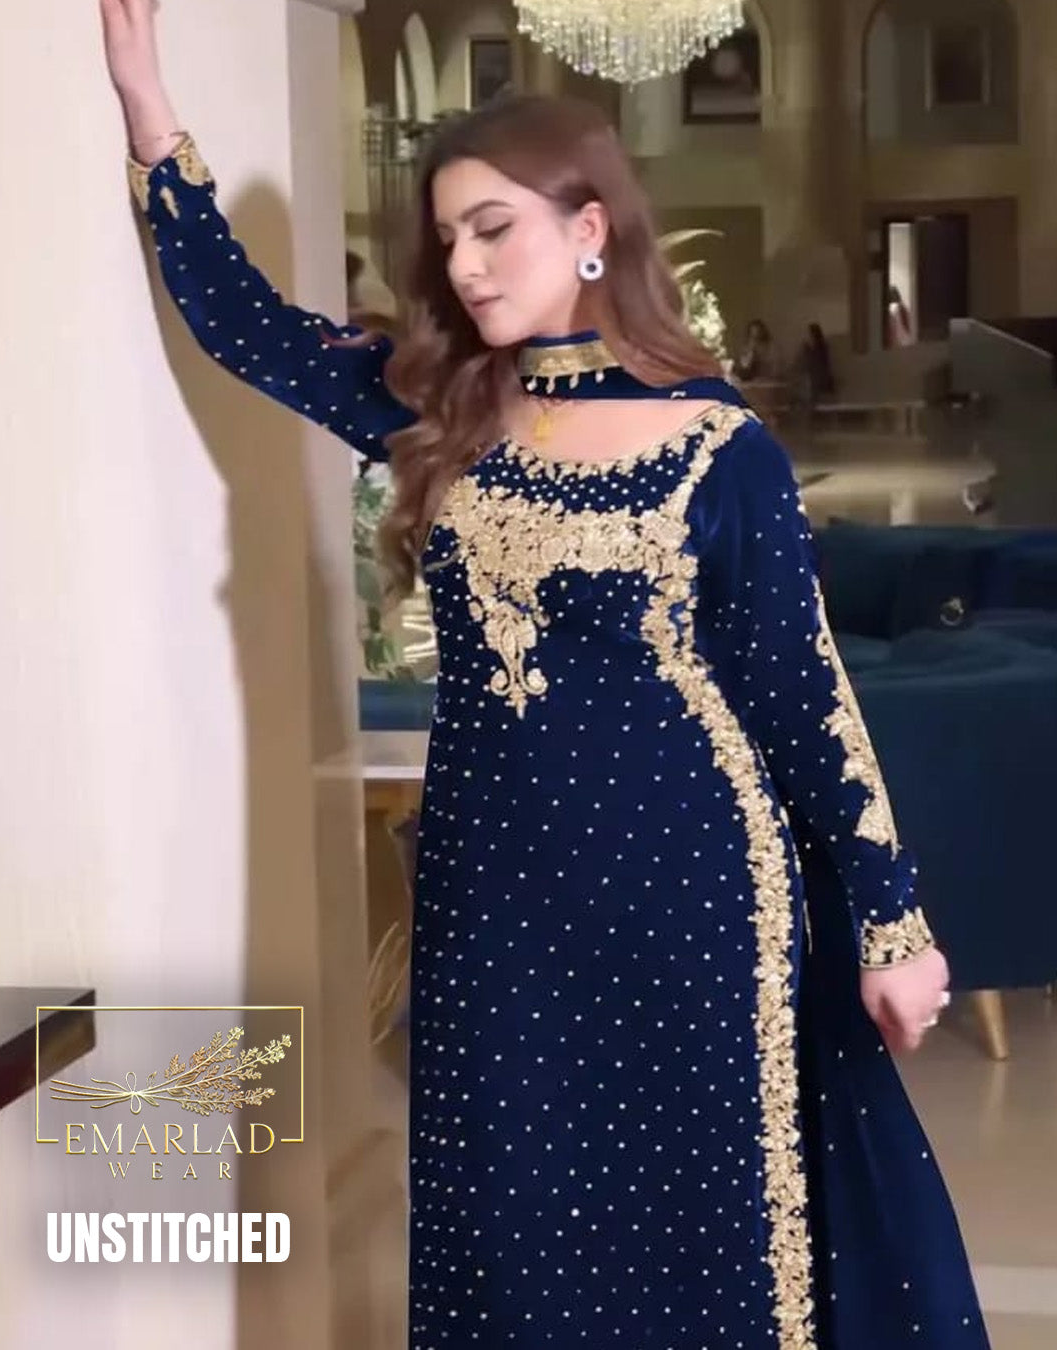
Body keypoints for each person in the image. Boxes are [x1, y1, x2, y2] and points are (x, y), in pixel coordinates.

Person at [99, 3, 989, 1347]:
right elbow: (249, 328)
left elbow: (801, 695)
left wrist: (892, 923)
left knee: (699, 1233)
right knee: (513, 1223)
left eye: (492, 227)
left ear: (589, 229)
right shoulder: (437, 410)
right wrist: (148, 111)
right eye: (447, 238)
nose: (462, 264)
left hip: (691, 897)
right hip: (496, 900)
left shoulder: (717, 446)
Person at [794, 321, 836, 408]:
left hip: (819, 388)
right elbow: (799, 366)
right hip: (811, 387)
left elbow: (820, 370)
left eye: (807, 334)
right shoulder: (807, 349)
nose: (804, 337)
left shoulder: (819, 350)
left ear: (812, 335)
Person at [735, 316, 777, 381]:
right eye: (752, 335)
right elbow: (742, 370)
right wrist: (750, 353)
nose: (754, 339)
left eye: (758, 333)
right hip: (750, 382)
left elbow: (775, 370)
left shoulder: (771, 348)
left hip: (767, 381)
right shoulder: (746, 348)